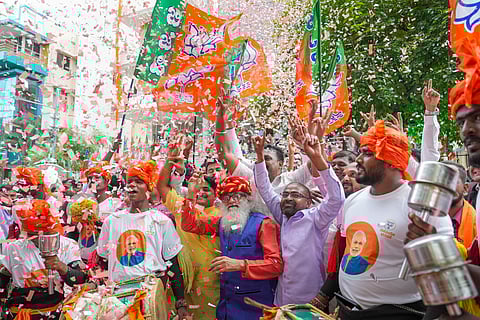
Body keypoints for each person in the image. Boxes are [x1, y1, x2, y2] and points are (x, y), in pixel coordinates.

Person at [337, 120, 453, 320]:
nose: (357, 159)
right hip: (349, 309)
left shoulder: (422, 205)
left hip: (399, 313)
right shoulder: (352, 201)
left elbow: (446, 273)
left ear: (390, 161)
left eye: (367, 153)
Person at [252, 110, 345, 306]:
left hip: (310, 300)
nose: (287, 198)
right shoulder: (282, 216)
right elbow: (265, 188)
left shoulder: (316, 217)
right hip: (282, 297)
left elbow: (336, 198)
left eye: (295, 195)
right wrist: (259, 157)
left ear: (309, 201)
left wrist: (318, 159)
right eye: (285, 194)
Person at [96, 160, 190, 319]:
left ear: (149, 188)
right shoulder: (111, 221)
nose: (132, 185)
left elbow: (172, 263)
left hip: (150, 299)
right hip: (117, 301)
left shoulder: (162, 221)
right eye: (130, 182)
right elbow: (103, 259)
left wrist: (180, 302)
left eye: (139, 182)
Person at [181, 176, 283, 320]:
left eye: (238, 196)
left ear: (248, 199)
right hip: (227, 307)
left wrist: (240, 264)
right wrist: (191, 195)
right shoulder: (223, 222)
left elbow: (276, 265)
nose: (232, 201)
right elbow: (189, 225)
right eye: (226, 197)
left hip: (256, 307)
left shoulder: (264, 224)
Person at [157, 136, 221, 320]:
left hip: (210, 285)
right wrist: (169, 163)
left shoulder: (220, 214)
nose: (201, 192)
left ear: (215, 194)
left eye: (206, 190)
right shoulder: (183, 205)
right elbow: (162, 187)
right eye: (197, 188)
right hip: (183, 283)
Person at [0, 199, 87, 320]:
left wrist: (61, 267)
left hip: (53, 313)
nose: (36, 238)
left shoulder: (67, 245)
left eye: (41, 234)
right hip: (20, 312)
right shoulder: (14, 248)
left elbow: (81, 280)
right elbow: (3, 278)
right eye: (31, 234)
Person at [441, 161, 477, 251]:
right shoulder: (425, 217)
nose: (446, 185)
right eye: (441, 180)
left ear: (465, 188)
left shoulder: (476, 220)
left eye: (452, 180)